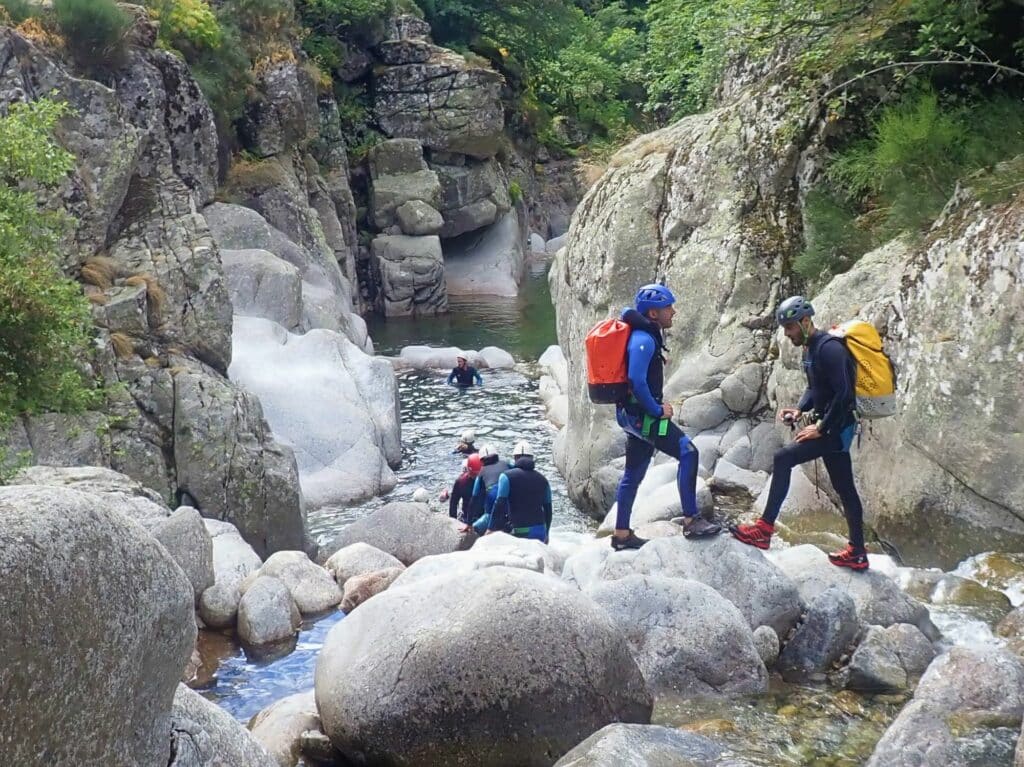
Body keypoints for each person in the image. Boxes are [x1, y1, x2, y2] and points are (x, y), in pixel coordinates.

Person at [730, 296, 869, 570]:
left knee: (783, 458)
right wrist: (799, 409)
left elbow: (844, 395)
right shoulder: (811, 350)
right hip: (831, 426)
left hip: (836, 428)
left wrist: (820, 427)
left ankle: (764, 529)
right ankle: (858, 551)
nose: (788, 333)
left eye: (791, 327)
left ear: (806, 321)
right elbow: (816, 389)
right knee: (845, 489)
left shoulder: (830, 349)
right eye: (785, 328)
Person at [611, 284, 721, 551]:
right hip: (644, 418)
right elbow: (636, 380)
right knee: (688, 452)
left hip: (633, 416)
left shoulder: (645, 336)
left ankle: (622, 534)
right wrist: (658, 410)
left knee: (633, 474)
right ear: (652, 313)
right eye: (667, 307)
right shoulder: (644, 339)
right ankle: (691, 520)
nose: (673, 311)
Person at [488, 441, 552, 543]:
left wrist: (490, 528)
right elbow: (548, 510)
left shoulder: (506, 476)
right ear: (532, 458)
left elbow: (499, 504)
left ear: (515, 458)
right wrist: (547, 534)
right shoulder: (543, 480)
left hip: (519, 531)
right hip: (540, 532)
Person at [465, 445, 510, 534]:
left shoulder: (481, 473)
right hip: (509, 504)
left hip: (492, 508)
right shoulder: (506, 464)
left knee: (477, 527)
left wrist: (469, 523)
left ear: (481, 460)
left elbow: (474, 498)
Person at [443, 454, 482, 521]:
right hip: (467, 516)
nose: (476, 477)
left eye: (478, 474)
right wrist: (453, 521)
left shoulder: (486, 478)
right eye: (474, 474)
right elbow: (453, 503)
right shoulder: (461, 482)